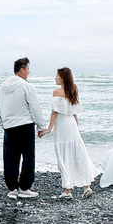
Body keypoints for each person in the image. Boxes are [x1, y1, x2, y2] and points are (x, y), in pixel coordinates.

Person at [39, 67, 96, 200]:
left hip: (62, 126)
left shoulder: (57, 92)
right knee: (79, 154)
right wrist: (76, 124)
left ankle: (67, 190)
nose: (55, 78)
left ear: (62, 77)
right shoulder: (73, 89)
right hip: (72, 124)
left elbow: (55, 112)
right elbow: (74, 110)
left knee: (63, 156)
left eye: (57, 76)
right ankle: (86, 186)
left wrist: (49, 129)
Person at [0, 57, 46, 199]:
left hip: (9, 127)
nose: (29, 72)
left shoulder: (3, 87)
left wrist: (2, 122)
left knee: (10, 157)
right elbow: (35, 108)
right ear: (22, 69)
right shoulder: (27, 86)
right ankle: (24, 187)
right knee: (28, 157)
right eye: (28, 69)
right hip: (25, 126)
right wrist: (41, 126)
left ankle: (12, 188)